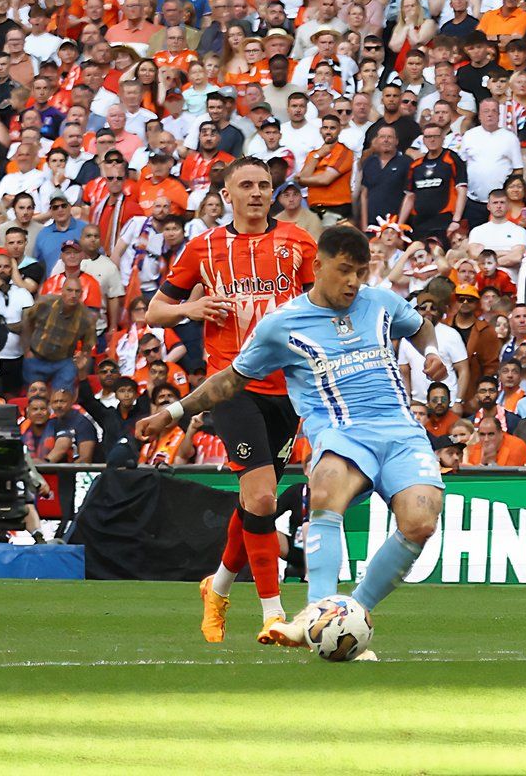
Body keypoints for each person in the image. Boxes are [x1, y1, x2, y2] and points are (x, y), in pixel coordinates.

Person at [141, 225, 450, 657]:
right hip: (342, 435)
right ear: (319, 266)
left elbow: (420, 327)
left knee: (421, 522)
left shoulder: (380, 302)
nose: (353, 283)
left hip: (400, 432)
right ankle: (316, 613)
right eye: (344, 271)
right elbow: (229, 381)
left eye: (361, 272)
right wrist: (171, 414)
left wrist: (431, 352)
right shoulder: (281, 325)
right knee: (323, 489)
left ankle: (338, 618)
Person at [142, 157, 318, 645]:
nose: (258, 193)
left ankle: (216, 589)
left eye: (265, 184)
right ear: (226, 193)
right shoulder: (204, 247)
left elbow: (319, 307)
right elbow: (155, 311)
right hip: (231, 386)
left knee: (252, 502)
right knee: (261, 496)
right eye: (247, 185)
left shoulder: (299, 243)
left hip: (288, 390)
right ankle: (272, 614)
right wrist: (189, 308)